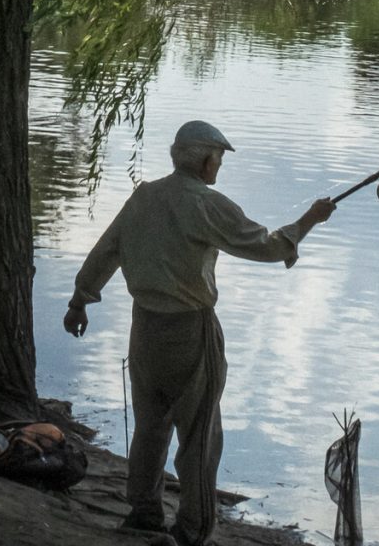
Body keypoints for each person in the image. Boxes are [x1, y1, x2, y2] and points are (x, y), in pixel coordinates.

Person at [64, 120, 336, 545]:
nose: (220, 167)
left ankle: (144, 513)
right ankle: (192, 529)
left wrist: (80, 299)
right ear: (207, 160)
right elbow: (267, 245)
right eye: (220, 160)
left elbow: (108, 249)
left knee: (150, 425)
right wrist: (309, 221)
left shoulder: (144, 197)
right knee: (200, 433)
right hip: (191, 330)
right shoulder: (207, 203)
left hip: (145, 329)